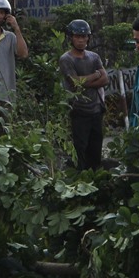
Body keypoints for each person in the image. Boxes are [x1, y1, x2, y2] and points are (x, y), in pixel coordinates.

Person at [59, 19, 108, 170]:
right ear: (71, 38)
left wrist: (84, 81)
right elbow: (74, 82)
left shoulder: (94, 57)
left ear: (88, 37)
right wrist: (94, 75)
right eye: (77, 37)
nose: (81, 40)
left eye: (84, 36)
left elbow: (105, 79)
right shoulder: (66, 59)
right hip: (78, 110)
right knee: (80, 150)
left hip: (96, 109)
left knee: (96, 150)